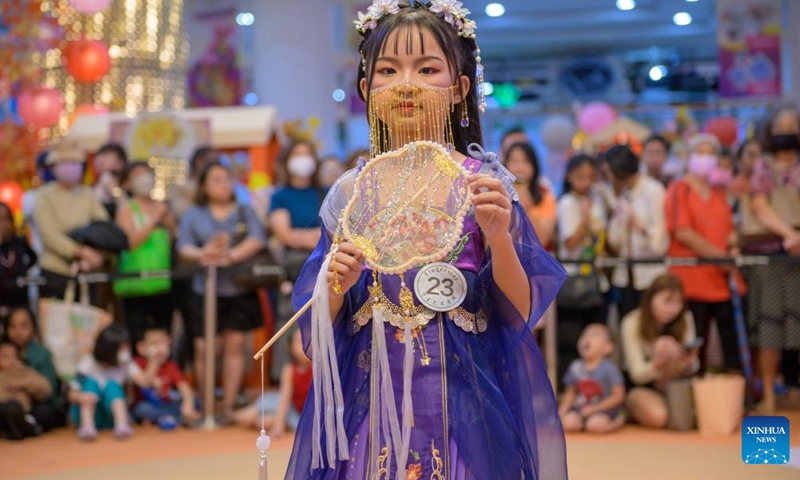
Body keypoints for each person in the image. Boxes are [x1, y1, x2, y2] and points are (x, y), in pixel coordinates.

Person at [285, 3, 567, 479]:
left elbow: (519, 314)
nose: (407, 85)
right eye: (388, 71)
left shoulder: (486, 186)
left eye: (427, 68)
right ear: (365, 91)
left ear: (459, 88)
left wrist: (498, 237)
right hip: (372, 404)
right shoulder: (350, 194)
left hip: (465, 407)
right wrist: (335, 283)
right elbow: (312, 330)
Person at [177, 161, 267, 424]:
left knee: (235, 345)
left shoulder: (244, 209)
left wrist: (230, 256)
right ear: (203, 185)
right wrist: (203, 254)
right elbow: (183, 245)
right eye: (216, 180)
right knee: (205, 346)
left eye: (227, 179)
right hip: (204, 290)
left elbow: (257, 238)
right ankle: (207, 404)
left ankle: (227, 404)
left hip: (238, 288)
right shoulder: (194, 213)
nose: (223, 184)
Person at [665, 133, 745, 374]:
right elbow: (683, 231)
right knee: (694, 344)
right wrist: (720, 258)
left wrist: (732, 247)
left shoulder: (720, 193)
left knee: (732, 345)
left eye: (711, 153)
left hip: (722, 280)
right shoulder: (680, 189)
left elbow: (730, 229)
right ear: (689, 156)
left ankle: (738, 397)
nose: (706, 158)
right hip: (692, 279)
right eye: (701, 151)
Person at [740, 106, 800, 414]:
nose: (785, 130)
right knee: (769, 328)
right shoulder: (763, 166)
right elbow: (760, 205)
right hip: (770, 255)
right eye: (780, 125)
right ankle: (769, 397)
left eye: (792, 125)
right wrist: (790, 235)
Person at [620, 274, 699, 428]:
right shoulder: (632, 322)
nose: (671, 309)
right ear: (650, 299)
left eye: (677, 303)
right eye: (666, 301)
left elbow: (694, 366)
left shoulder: (686, 318)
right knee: (658, 417)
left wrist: (687, 362)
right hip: (641, 385)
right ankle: (635, 408)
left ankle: (677, 410)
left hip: (674, 384)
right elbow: (637, 375)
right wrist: (657, 363)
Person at [556, 154, 609, 383]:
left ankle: (598, 387)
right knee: (571, 339)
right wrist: (585, 219)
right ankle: (570, 388)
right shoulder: (567, 202)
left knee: (597, 333)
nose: (586, 182)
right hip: (574, 279)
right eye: (580, 177)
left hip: (596, 277)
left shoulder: (598, 199)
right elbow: (570, 243)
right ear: (570, 177)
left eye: (590, 176)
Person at [32, 141, 108, 300]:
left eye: (75, 163)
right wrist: (78, 252)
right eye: (65, 163)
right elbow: (48, 234)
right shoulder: (44, 196)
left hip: (86, 270)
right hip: (55, 271)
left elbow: (103, 226)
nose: (71, 167)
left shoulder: (88, 194)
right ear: (53, 167)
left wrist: (95, 253)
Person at [603, 145, 668, 318]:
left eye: (610, 172)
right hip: (625, 274)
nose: (608, 177)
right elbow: (614, 241)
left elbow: (659, 243)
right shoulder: (621, 194)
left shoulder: (653, 191)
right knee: (625, 324)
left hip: (649, 276)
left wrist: (638, 226)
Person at [114, 162, 176, 343]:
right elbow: (129, 243)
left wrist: (167, 220)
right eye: (137, 175)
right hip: (135, 284)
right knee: (139, 337)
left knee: (163, 335)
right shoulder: (127, 208)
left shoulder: (161, 206)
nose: (144, 179)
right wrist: (154, 219)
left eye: (147, 174)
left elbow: (173, 238)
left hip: (162, 282)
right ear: (127, 183)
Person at [68, 324, 144, 441]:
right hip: (89, 411)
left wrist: (155, 361)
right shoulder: (88, 363)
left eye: (126, 347)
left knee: (112, 386)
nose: (126, 351)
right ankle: (87, 427)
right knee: (90, 383)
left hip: (108, 417)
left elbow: (144, 382)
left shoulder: (125, 363)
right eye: (122, 348)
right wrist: (82, 398)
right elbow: (72, 393)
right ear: (109, 349)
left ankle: (122, 425)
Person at [234, 328, 311, 437]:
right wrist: (278, 427)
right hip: (289, 406)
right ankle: (231, 416)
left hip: (301, 414)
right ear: (291, 348)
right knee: (247, 417)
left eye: (309, 341)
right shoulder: (289, 370)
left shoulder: (318, 368)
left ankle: (275, 420)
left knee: (264, 422)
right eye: (299, 342)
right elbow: (284, 399)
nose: (305, 346)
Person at [2, 307, 64, 431]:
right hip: (8, 400)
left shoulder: (41, 354)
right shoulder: (3, 351)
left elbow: (49, 390)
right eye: (12, 326)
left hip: (37, 403)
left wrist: (24, 385)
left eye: (24, 326)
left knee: (44, 413)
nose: (18, 331)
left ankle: (25, 424)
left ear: (33, 328)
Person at [558, 323, 625, 434]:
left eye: (594, 335)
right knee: (568, 424)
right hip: (581, 409)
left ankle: (616, 422)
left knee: (595, 426)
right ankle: (582, 422)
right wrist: (563, 409)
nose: (587, 338)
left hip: (602, 411)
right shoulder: (575, 367)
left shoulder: (609, 368)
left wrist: (595, 409)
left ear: (608, 347)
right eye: (584, 334)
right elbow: (570, 392)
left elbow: (618, 396)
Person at [131, 328, 200, 428]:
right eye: (155, 344)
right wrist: (154, 361)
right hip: (148, 405)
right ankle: (179, 418)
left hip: (167, 404)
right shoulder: (138, 363)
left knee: (195, 400)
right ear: (141, 348)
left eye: (163, 344)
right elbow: (144, 382)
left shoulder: (171, 365)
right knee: (141, 409)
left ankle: (168, 417)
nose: (160, 348)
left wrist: (188, 404)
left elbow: (184, 387)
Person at [505, 142, 557, 250]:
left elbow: (543, 240)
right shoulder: (500, 194)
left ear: (534, 165)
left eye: (525, 161)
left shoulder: (545, 196)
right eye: (514, 161)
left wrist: (526, 210)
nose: (520, 167)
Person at [0, 340, 52, 440]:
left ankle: (24, 428)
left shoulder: (25, 371)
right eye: (5, 357)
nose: (10, 360)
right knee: (11, 408)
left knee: (44, 413)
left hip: (26, 412)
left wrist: (24, 385)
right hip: (5, 412)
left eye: (14, 356)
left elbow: (46, 388)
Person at [0, 202, 38, 315]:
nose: (2, 224)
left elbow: (33, 258)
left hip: (18, 298)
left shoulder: (18, 242)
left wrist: (23, 271)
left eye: (5, 220)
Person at [92, 143, 128, 219]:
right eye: (99, 156)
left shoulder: (107, 178)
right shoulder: (104, 179)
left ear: (120, 163)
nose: (100, 160)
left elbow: (121, 199)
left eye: (106, 156)